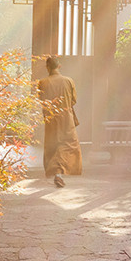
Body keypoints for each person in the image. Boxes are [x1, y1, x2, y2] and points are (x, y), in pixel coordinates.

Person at [38, 56, 82, 187]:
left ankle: (57, 173)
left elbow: (41, 101)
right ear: (59, 66)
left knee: (53, 145)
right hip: (66, 118)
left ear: (47, 67)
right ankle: (58, 173)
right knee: (68, 144)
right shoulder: (68, 81)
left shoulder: (42, 82)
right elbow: (73, 100)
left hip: (51, 118)